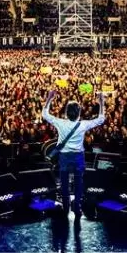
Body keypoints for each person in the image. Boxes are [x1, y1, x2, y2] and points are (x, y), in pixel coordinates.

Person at [42, 90, 106, 218]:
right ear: (79, 113)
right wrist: (101, 101)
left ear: (66, 113)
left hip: (64, 157)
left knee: (64, 183)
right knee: (79, 183)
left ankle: (65, 207)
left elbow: (45, 114)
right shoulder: (83, 125)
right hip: (78, 156)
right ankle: (77, 208)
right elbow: (101, 119)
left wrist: (49, 97)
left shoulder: (60, 123)